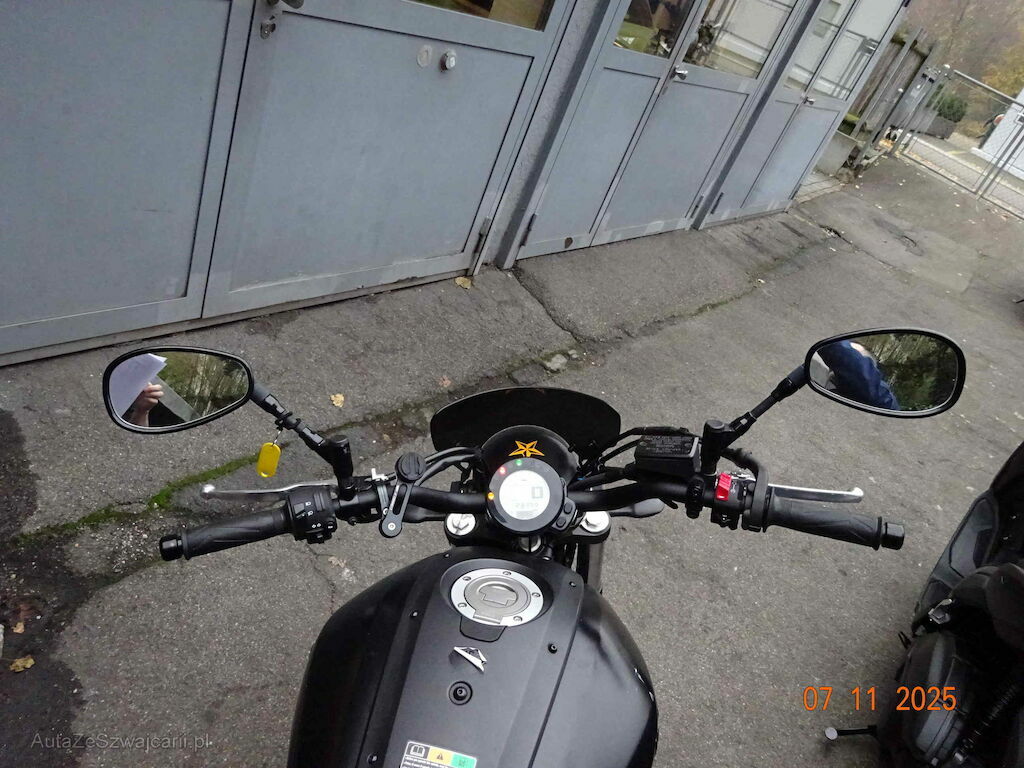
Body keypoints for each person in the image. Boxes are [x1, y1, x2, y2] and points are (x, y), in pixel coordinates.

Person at [817, 341, 900, 410]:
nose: (841, 368)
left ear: (872, 367)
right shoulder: (834, 389)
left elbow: (863, 376)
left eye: (856, 354)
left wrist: (825, 340)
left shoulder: (884, 400)